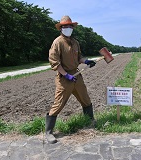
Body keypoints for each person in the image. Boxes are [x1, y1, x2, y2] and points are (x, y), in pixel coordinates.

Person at [46, 15, 96, 144]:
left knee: (85, 99)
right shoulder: (57, 42)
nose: (67, 28)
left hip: (77, 76)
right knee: (58, 104)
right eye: (65, 26)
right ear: (61, 28)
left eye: (69, 26)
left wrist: (86, 61)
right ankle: (49, 132)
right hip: (64, 78)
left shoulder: (75, 42)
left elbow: (79, 58)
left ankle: (90, 122)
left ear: (72, 28)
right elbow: (54, 62)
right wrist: (65, 74)